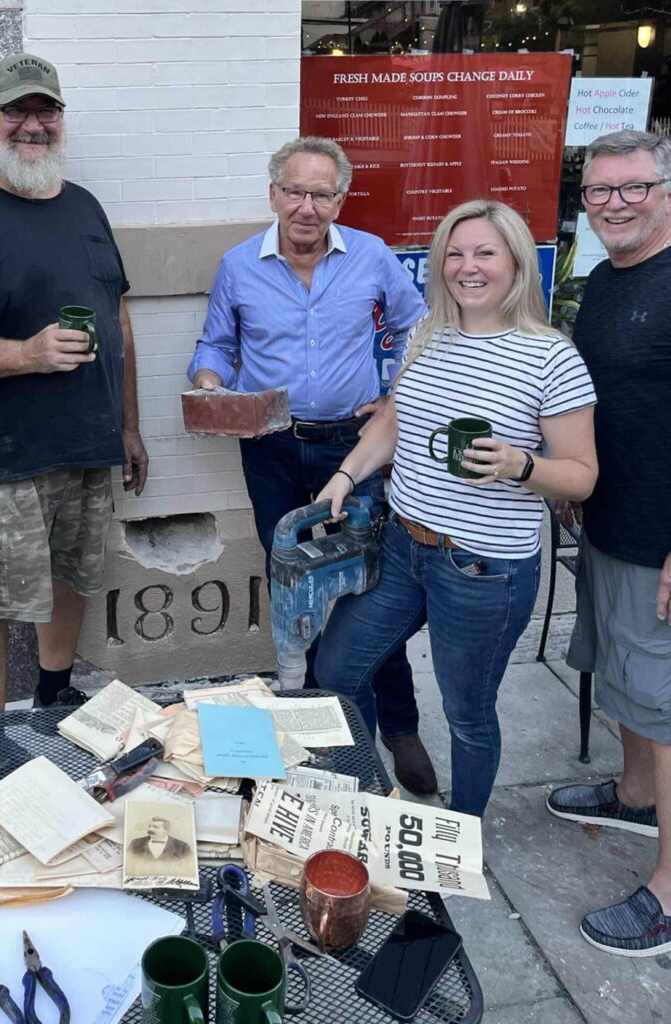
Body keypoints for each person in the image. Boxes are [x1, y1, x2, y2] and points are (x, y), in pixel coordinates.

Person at [313, 198, 598, 818]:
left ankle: (462, 835)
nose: (467, 267)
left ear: (516, 262)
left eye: (485, 253)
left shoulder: (552, 357)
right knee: (337, 670)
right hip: (403, 545)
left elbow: (580, 477)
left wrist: (520, 465)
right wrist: (344, 474)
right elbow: (392, 419)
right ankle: (370, 803)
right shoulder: (429, 334)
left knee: (467, 713)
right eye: (455, 253)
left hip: (483, 568)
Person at [187, 136, 436, 795]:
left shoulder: (373, 257)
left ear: (339, 199)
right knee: (290, 576)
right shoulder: (239, 266)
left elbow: (421, 327)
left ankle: (399, 727)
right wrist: (211, 381)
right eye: (294, 191)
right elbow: (214, 343)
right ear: (273, 194)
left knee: (366, 587)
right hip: (269, 447)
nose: (307, 206)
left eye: (321, 193)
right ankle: (307, 715)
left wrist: (396, 394)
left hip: (351, 447)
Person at [0, 53, 147, 722]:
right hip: (2, 457)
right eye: (17, 111)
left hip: (88, 445)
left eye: (46, 111)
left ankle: (53, 687)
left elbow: (117, 316)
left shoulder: (84, 206)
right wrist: (26, 352)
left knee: (72, 576)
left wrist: (128, 425)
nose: (32, 125)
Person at [545, 129, 671, 957]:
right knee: (624, 675)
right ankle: (632, 796)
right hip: (609, 521)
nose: (616, 203)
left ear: (666, 190)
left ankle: (668, 893)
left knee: (665, 709)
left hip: (661, 539)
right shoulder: (600, 279)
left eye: (635, 187)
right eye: (600, 191)